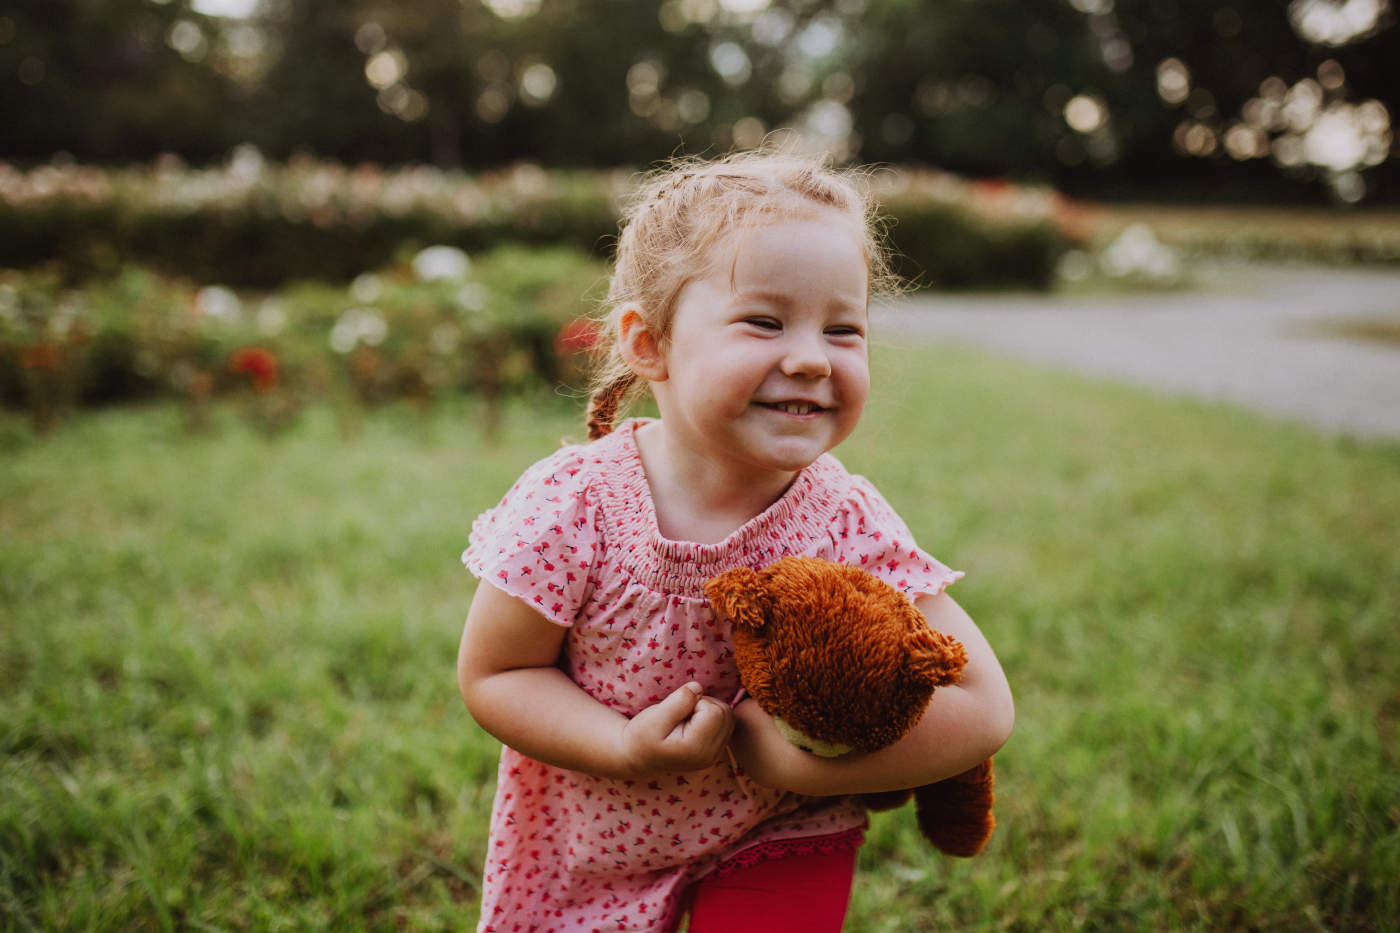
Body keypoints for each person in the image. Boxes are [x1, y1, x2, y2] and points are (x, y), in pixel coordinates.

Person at [457, 152, 1014, 933]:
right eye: (764, 320)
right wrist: (623, 744)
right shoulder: (575, 504)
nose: (813, 356)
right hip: (592, 837)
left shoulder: (842, 517)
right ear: (649, 344)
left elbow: (984, 708)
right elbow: (497, 672)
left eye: (844, 328)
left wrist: (796, 768)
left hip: (784, 828)